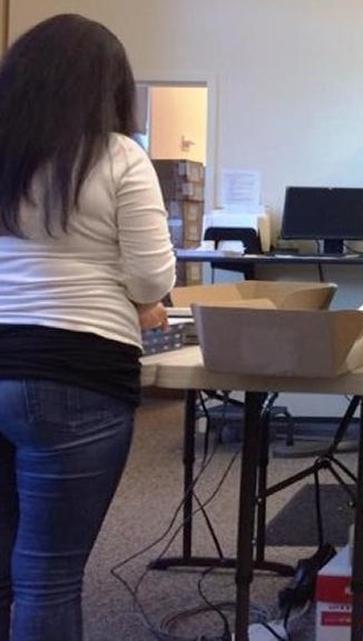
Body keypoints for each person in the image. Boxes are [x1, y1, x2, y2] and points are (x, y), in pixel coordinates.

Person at [0, 14, 176, 641]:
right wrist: (141, 301)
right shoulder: (118, 155)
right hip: (76, 373)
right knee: (47, 574)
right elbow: (153, 280)